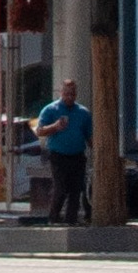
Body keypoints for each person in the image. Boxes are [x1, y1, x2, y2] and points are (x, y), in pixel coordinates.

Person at [33, 78, 91, 225]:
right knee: (61, 188)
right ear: (61, 93)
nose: (69, 97)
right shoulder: (50, 110)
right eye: (66, 94)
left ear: (76, 94)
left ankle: (71, 220)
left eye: (72, 94)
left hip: (77, 156)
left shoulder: (83, 113)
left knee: (76, 190)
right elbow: (39, 131)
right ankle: (53, 218)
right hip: (58, 155)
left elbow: (89, 136)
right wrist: (55, 127)